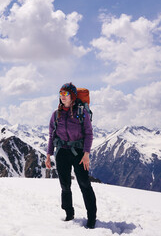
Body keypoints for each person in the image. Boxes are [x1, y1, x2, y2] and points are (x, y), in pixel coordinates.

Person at [45, 82, 97, 229]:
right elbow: (51, 135)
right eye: (60, 94)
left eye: (65, 94)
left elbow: (89, 133)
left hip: (79, 153)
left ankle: (91, 217)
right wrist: (48, 155)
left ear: (72, 96)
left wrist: (86, 154)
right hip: (62, 152)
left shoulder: (82, 113)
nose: (62, 97)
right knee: (65, 185)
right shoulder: (56, 115)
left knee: (85, 184)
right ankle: (69, 213)